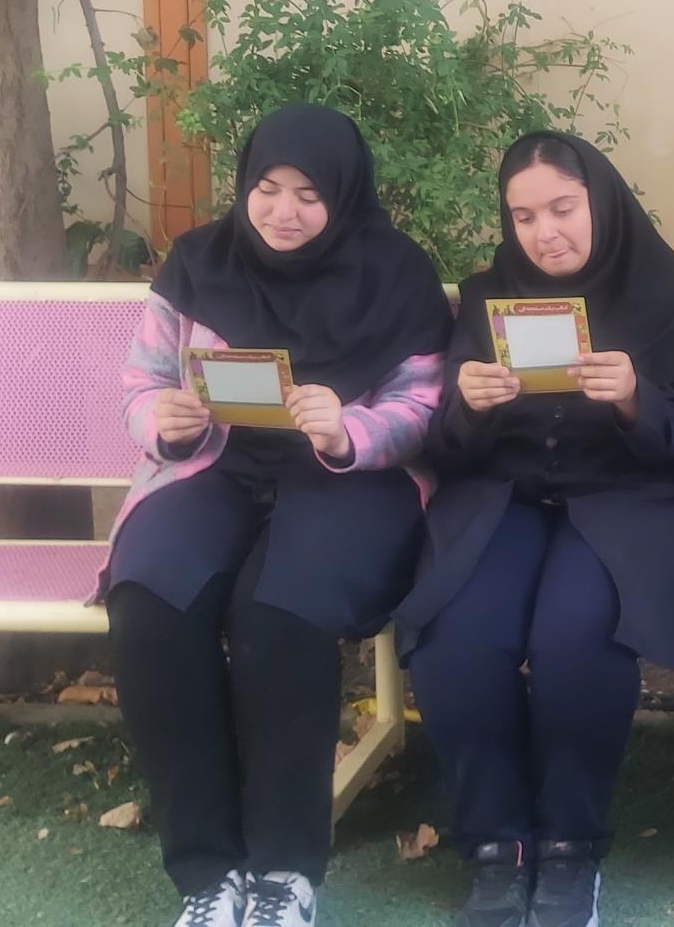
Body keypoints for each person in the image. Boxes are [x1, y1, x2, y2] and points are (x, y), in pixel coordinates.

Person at [105, 103, 451, 927]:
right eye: (267, 188)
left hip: (349, 482)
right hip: (217, 465)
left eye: (308, 194)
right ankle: (207, 872)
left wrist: (350, 429)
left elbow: (423, 404)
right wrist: (163, 421)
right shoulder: (199, 263)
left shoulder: (396, 274)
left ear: (345, 194)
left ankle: (284, 873)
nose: (283, 212)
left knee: (278, 609)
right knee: (151, 598)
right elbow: (144, 381)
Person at [397, 134, 674, 927]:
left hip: (622, 498)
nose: (545, 232)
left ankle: (570, 846)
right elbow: (447, 450)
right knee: (457, 636)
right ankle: (494, 844)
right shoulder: (488, 296)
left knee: (578, 638)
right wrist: (469, 405)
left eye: (563, 209)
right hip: (502, 498)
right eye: (524, 216)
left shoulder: (656, 291)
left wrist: (633, 398)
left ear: (599, 201)